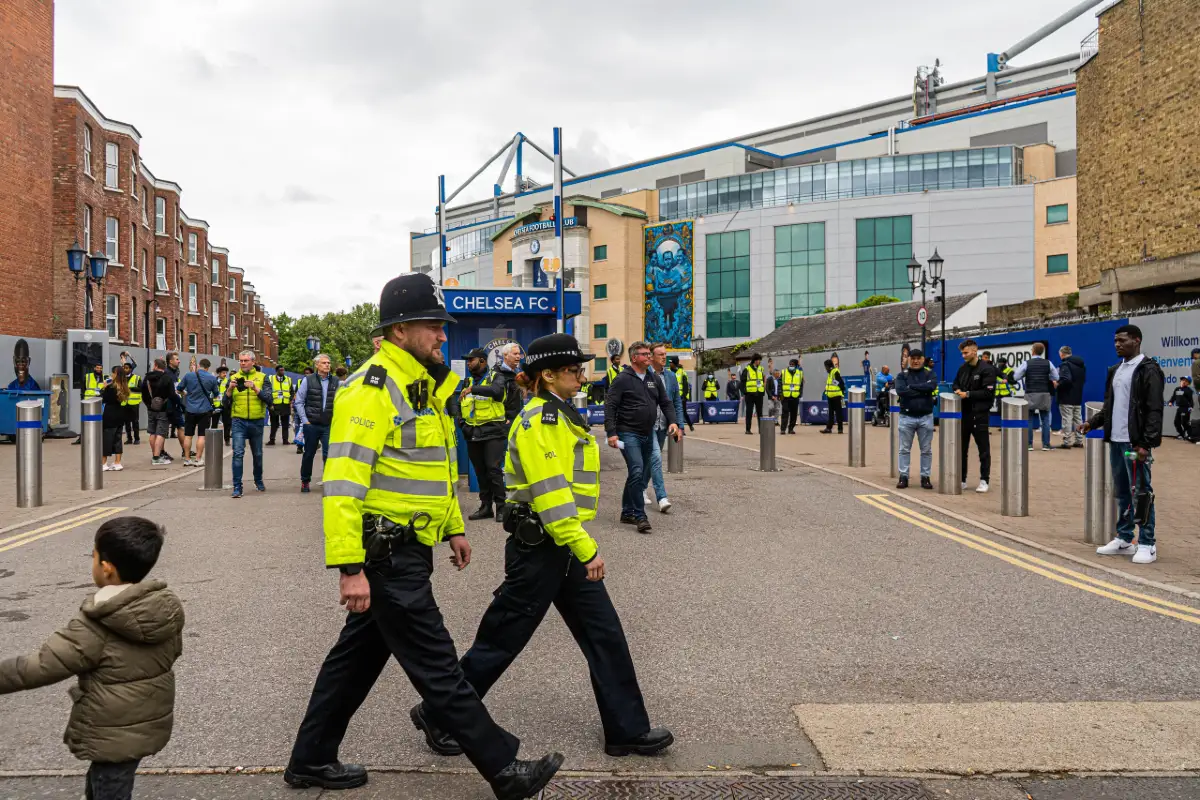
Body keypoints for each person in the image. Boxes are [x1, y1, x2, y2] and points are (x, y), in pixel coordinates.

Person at [286, 273, 562, 797]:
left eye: (442, 326)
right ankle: (505, 769)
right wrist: (349, 567)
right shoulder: (371, 389)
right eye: (433, 326)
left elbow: (432, 468)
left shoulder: (420, 386)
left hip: (406, 546)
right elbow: (343, 483)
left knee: (355, 661)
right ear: (398, 331)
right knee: (438, 666)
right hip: (386, 553)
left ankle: (311, 757)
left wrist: (454, 527)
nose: (442, 336)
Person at [413, 332, 673, 762]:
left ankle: (627, 729)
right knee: (501, 639)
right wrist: (586, 548)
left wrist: (576, 543)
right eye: (574, 370)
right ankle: (439, 715)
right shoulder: (541, 421)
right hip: (543, 547)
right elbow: (552, 496)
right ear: (547, 376)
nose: (581, 375)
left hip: (559, 543)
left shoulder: (561, 413)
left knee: (604, 633)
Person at [0, 517, 184, 800]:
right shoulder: (163, 609)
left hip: (111, 733)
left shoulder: (98, 624)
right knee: (110, 783)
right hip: (145, 724)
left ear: (107, 568)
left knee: (109, 788)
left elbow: (38, 667)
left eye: (94, 556)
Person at [1080, 324, 1164, 565]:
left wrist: (1146, 444)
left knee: (1141, 491)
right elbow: (1110, 406)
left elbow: (1154, 410)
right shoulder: (1116, 369)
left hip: (1134, 443)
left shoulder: (1148, 369)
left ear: (1136, 341)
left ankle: (1147, 543)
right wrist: (1092, 423)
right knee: (1123, 492)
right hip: (1116, 441)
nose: (1117, 344)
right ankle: (1125, 538)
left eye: (1122, 340)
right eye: (1115, 340)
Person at [604, 341, 680, 534]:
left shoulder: (652, 377)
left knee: (638, 473)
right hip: (628, 433)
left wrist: (673, 421)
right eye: (645, 354)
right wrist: (611, 433)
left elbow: (665, 401)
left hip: (648, 433)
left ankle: (627, 511)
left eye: (649, 353)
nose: (649, 357)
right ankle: (640, 516)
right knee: (637, 470)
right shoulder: (623, 379)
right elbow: (610, 406)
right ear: (634, 357)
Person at [459, 347, 512, 520]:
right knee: (480, 472)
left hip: (493, 432)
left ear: (482, 361)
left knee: (493, 469)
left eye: (471, 360)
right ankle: (486, 507)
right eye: (467, 361)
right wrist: (462, 424)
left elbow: (496, 392)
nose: (468, 363)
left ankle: (502, 507)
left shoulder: (496, 376)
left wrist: (473, 389)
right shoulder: (467, 381)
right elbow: (459, 404)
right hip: (473, 432)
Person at [224, 350, 273, 498]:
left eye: (246, 360)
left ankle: (258, 480)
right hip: (238, 420)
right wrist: (230, 389)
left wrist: (255, 388)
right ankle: (237, 487)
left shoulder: (262, 377)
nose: (243, 363)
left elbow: (269, 399)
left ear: (253, 362)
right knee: (238, 453)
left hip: (257, 421)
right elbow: (224, 404)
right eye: (241, 360)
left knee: (257, 454)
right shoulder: (233, 377)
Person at [951, 339, 997, 493]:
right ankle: (962, 479)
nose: (963, 355)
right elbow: (955, 384)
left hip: (980, 415)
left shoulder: (987, 369)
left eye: (966, 352)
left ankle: (984, 480)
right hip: (964, 414)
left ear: (975, 351)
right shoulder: (962, 369)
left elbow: (988, 392)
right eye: (962, 353)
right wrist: (957, 390)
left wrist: (968, 394)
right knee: (961, 448)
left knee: (983, 449)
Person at [643, 343, 684, 515]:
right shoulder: (644, 376)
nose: (664, 358)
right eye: (660, 354)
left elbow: (676, 403)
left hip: (663, 425)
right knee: (656, 458)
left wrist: (679, 425)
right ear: (651, 357)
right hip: (648, 425)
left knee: (651, 460)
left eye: (665, 354)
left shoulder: (671, 377)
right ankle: (662, 498)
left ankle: (641, 487)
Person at [296, 354, 340, 494]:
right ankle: (305, 481)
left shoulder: (336, 381)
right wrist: (305, 421)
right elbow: (299, 401)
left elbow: (340, 402)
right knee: (309, 454)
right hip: (312, 424)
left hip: (328, 424)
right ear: (317, 365)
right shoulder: (308, 380)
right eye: (324, 363)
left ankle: (329, 481)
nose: (327, 365)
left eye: (328, 362)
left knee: (329, 454)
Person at [894, 349, 938, 490]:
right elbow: (901, 391)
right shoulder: (902, 375)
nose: (916, 361)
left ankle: (925, 477)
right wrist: (923, 391)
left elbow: (931, 386)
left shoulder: (929, 373)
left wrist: (911, 387)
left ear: (923, 359)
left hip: (926, 417)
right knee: (904, 449)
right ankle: (903, 477)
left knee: (926, 450)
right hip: (906, 417)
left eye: (918, 358)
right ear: (908, 359)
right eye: (913, 358)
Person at [1013, 343, 1059, 452]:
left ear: (1033, 351)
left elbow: (1016, 376)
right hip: (1044, 393)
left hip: (1030, 393)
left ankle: (1029, 445)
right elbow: (1056, 377)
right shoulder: (1048, 363)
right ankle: (1046, 445)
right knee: (1045, 420)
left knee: (1028, 419)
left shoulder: (1026, 363)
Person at [178, 358, 219, 468]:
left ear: (199, 365)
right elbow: (216, 394)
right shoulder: (212, 378)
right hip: (204, 410)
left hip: (190, 409)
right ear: (207, 367)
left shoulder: (188, 375)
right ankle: (198, 459)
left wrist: (186, 393)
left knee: (188, 435)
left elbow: (178, 389)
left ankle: (187, 459)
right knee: (201, 436)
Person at [142, 359, 176, 466]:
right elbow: (172, 395)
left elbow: (143, 393)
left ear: (155, 365)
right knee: (161, 433)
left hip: (151, 409)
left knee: (152, 432)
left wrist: (149, 405)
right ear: (164, 367)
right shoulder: (167, 378)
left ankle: (154, 454)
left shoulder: (147, 378)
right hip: (163, 409)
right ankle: (156, 457)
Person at [1056, 345, 1087, 449]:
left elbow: (1066, 379)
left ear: (1062, 354)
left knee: (1067, 419)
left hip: (1066, 396)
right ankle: (1079, 441)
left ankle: (1066, 442)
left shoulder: (1065, 365)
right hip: (1078, 396)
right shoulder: (1082, 365)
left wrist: (1057, 384)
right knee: (1078, 419)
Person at [100, 366, 129, 472]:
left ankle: (103, 463)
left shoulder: (111, 387)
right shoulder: (124, 386)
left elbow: (105, 399)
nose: (111, 375)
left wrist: (104, 387)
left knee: (106, 439)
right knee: (117, 439)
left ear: (115, 374)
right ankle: (117, 462)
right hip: (120, 414)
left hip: (110, 414)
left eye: (113, 373)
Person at [163, 352, 187, 461]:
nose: (179, 361)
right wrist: (181, 404)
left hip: (173, 404)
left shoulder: (174, 372)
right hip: (171, 405)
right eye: (176, 359)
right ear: (170, 361)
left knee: (179, 427)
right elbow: (172, 392)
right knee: (178, 427)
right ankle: (185, 451)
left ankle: (184, 450)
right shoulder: (168, 374)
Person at [266, 364, 296, 446]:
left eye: (283, 370)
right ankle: (272, 440)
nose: (282, 372)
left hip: (285, 404)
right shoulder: (270, 379)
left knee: (285, 424)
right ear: (277, 371)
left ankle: (285, 440)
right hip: (274, 405)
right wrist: (270, 403)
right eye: (281, 370)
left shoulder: (288, 379)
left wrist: (290, 400)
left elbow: (292, 392)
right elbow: (267, 392)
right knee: (274, 424)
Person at [740, 354, 766, 435]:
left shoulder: (761, 369)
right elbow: (742, 382)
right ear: (755, 360)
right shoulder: (747, 369)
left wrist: (762, 391)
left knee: (760, 413)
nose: (760, 362)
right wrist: (745, 392)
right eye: (759, 360)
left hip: (759, 394)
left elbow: (762, 380)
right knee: (749, 412)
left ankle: (761, 430)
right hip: (750, 394)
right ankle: (748, 429)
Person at [669, 356, 694, 431]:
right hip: (671, 395)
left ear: (675, 363)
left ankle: (688, 426)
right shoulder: (668, 371)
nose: (670, 364)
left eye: (671, 362)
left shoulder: (682, 372)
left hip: (681, 396)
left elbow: (686, 386)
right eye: (669, 362)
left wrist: (684, 396)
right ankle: (674, 428)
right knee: (672, 412)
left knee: (682, 412)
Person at [820, 358, 845, 434]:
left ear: (828, 366)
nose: (825, 368)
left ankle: (840, 429)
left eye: (825, 367)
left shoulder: (835, 371)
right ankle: (828, 428)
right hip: (830, 396)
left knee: (838, 413)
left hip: (836, 396)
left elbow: (840, 383)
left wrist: (842, 391)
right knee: (831, 413)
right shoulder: (830, 373)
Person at [121, 356, 142, 445]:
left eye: (126, 368)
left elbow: (141, 389)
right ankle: (129, 438)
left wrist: (130, 388)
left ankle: (137, 438)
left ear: (130, 369)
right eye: (124, 368)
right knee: (126, 422)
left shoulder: (137, 378)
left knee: (135, 421)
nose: (125, 370)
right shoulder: (121, 378)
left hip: (134, 402)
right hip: (124, 402)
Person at [780, 359, 803, 434]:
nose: (791, 366)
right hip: (785, 396)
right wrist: (781, 394)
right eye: (790, 364)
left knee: (794, 414)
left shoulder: (799, 373)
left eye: (792, 365)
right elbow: (780, 383)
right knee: (785, 413)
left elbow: (801, 385)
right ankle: (783, 429)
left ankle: (791, 429)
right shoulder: (783, 372)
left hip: (795, 396)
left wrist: (800, 394)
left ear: (796, 366)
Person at [213, 365, 232, 446]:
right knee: (214, 423)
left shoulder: (228, 381)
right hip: (215, 405)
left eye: (226, 373)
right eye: (223, 373)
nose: (225, 374)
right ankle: (213, 439)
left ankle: (227, 440)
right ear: (219, 373)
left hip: (225, 406)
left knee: (227, 424)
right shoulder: (214, 381)